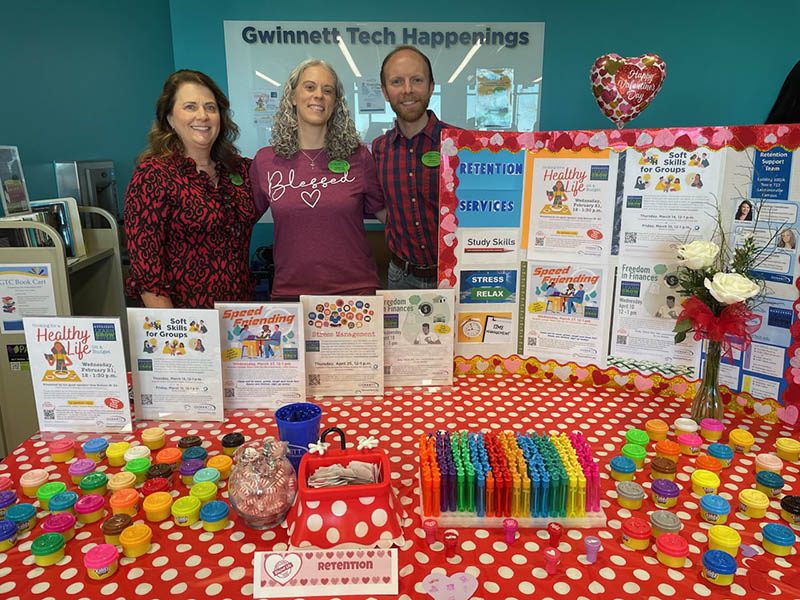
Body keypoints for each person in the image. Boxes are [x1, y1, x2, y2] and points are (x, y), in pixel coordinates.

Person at [250, 59, 385, 299]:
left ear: (335, 102)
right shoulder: (265, 161)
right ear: (292, 96)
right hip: (291, 293)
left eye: (328, 90)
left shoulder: (359, 156)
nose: (319, 96)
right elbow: (239, 222)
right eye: (310, 87)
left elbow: (387, 216)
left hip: (356, 293)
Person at [125, 70, 258, 309]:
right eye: (190, 107)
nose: (202, 116)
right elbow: (148, 274)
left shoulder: (240, 171)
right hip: (187, 328)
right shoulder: (153, 175)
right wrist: (176, 336)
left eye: (210, 107)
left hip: (240, 321)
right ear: (169, 118)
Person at [372, 46, 455, 289]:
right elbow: (378, 204)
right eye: (397, 81)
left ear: (431, 87)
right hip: (401, 279)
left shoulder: (461, 145)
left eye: (416, 80)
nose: (407, 89)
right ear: (386, 92)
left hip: (454, 277)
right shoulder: (378, 150)